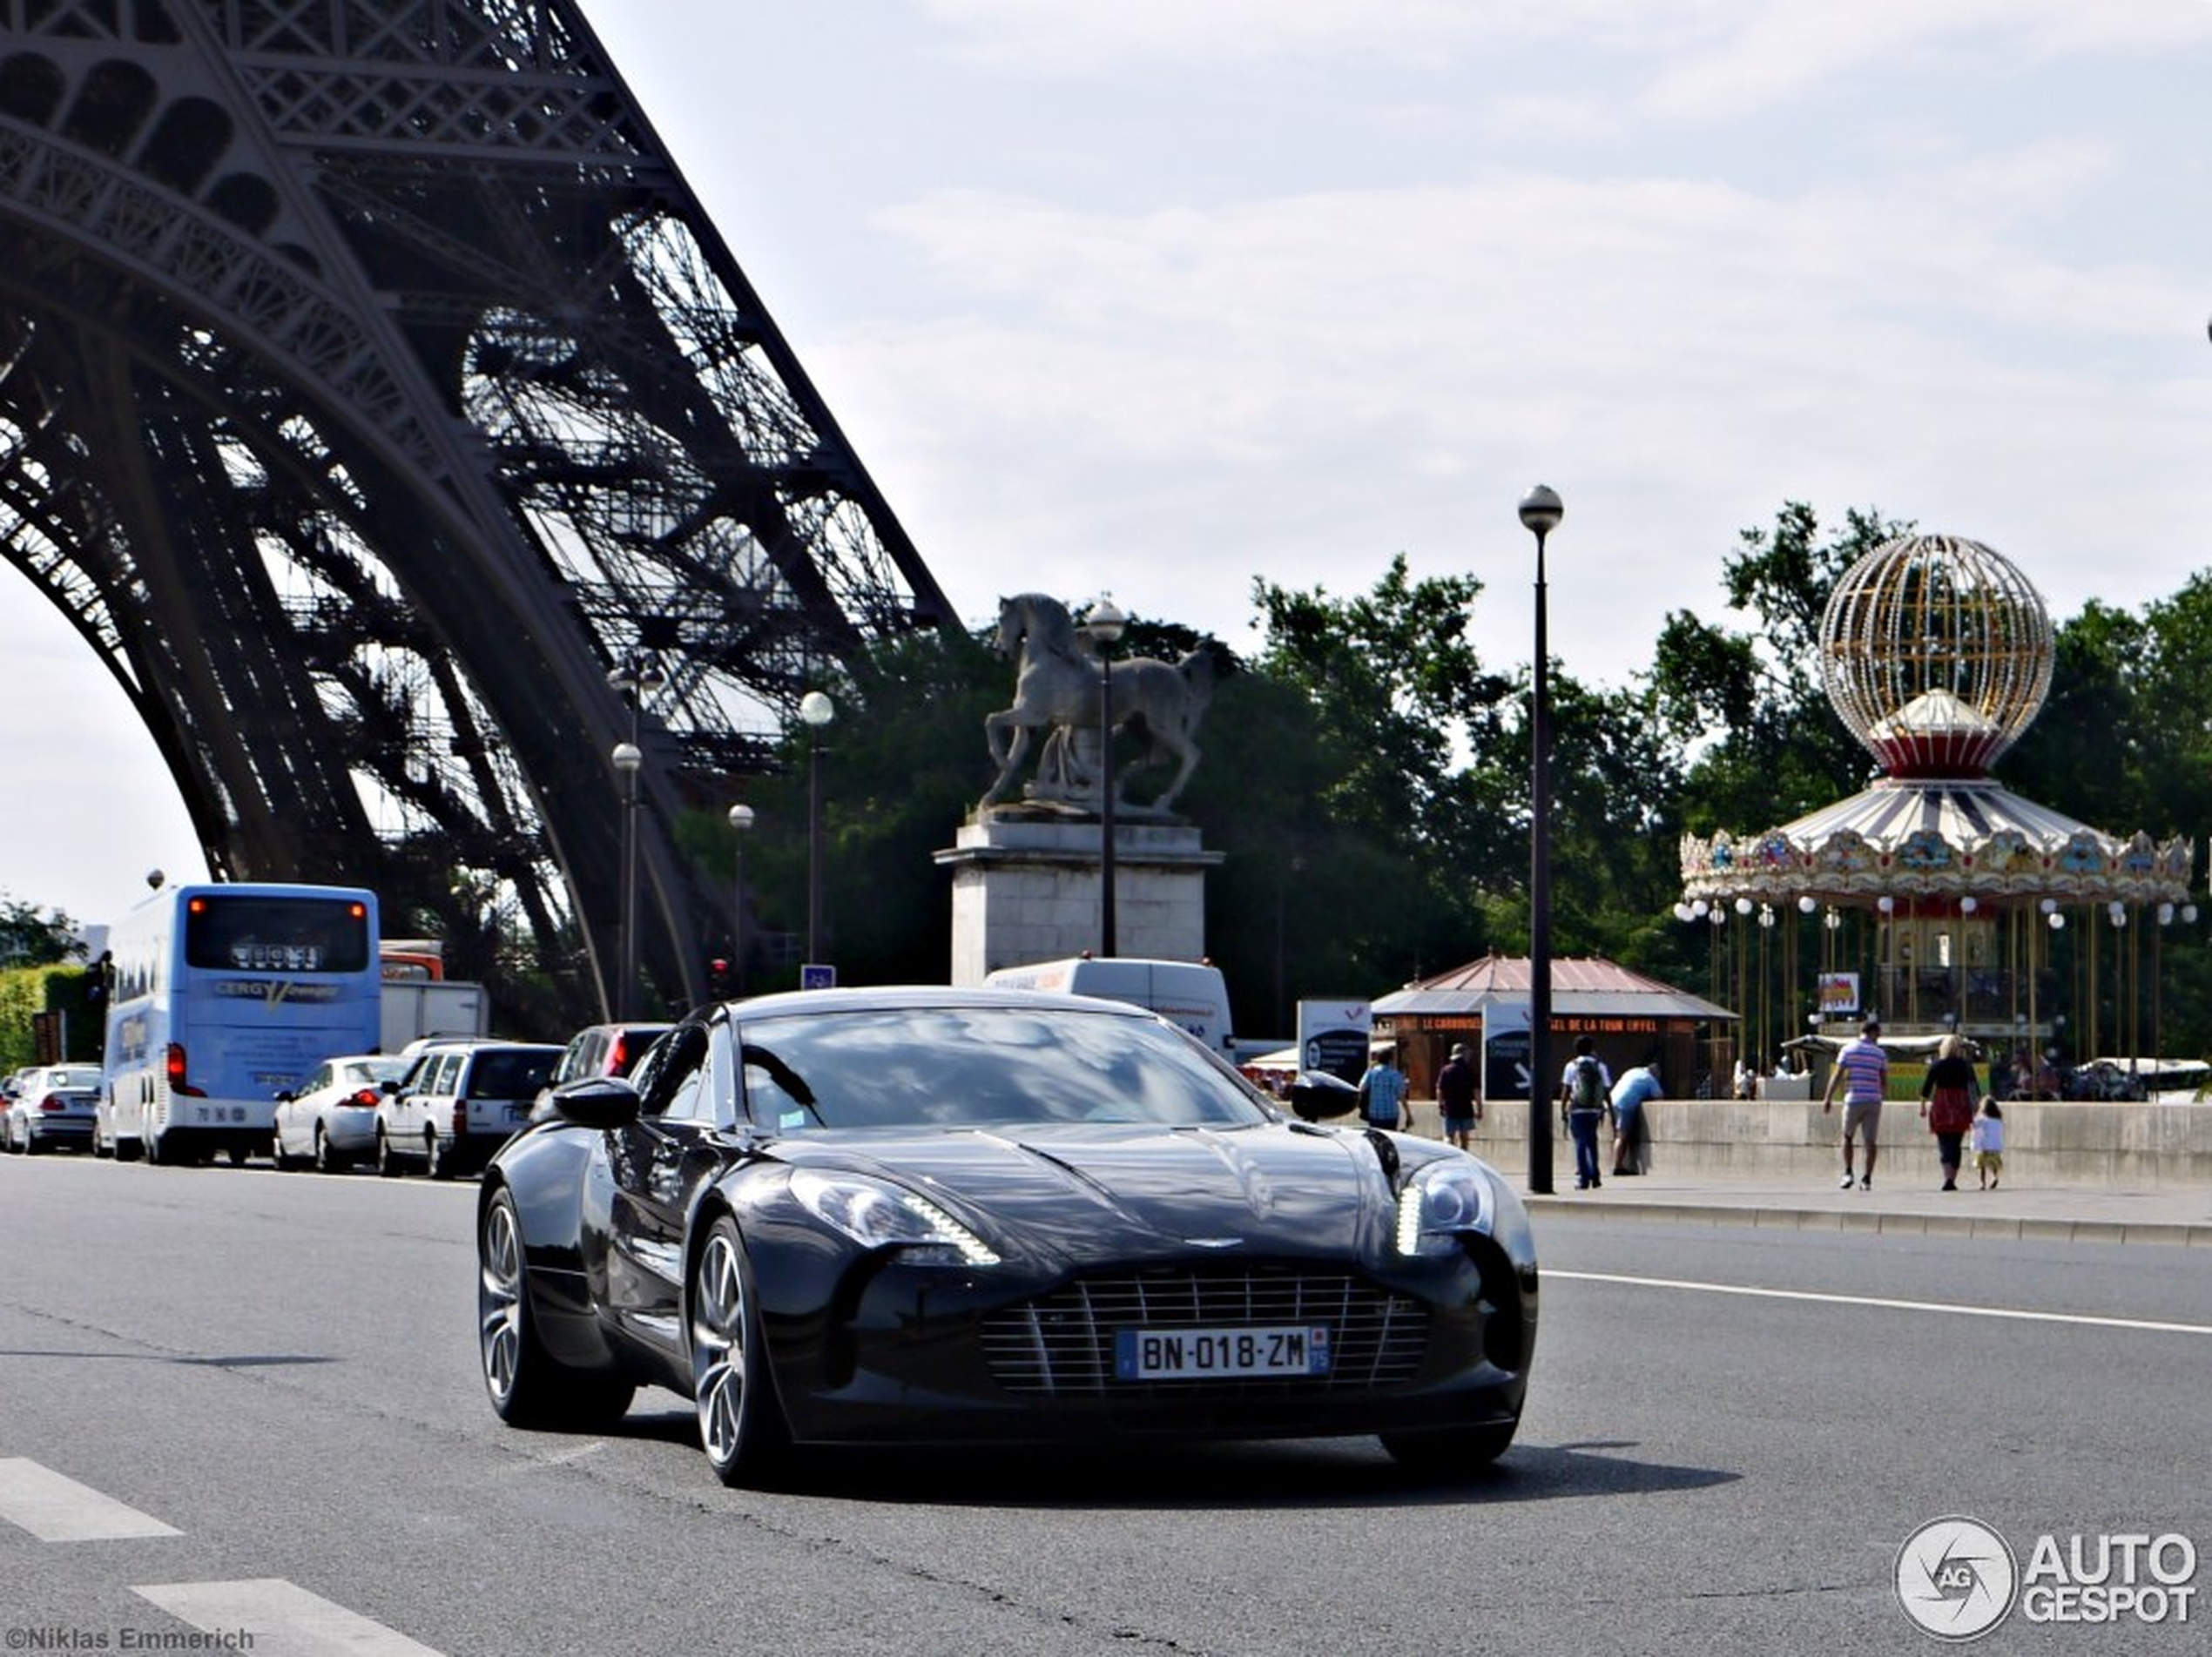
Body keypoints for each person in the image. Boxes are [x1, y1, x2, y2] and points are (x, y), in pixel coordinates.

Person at [1821, 1018, 1888, 1190]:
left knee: (1848, 1136)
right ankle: (1867, 1179)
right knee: (1870, 1142)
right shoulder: (1880, 1053)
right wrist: (1881, 1097)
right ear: (1873, 1033)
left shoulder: (1848, 1049)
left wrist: (1828, 1098)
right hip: (1873, 1101)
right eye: (1878, 1035)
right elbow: (1884, 1081)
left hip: (1853, 1099)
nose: (1878, 1038)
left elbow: (1837, 1075)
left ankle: (1848, 1172)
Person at [1919, 1033, 1979, 1191]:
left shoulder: (1937, 1065)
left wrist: (1923, 1106)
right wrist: (1975, 1107)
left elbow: (1926, 1087)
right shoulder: (1965, 1065)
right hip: (1960, 1105)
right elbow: (1973, 1087)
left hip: (1942, 1105)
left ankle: (1947, 1177)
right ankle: (1952, 1178)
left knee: (1944, 1142)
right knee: (1956, 1143)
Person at [1558, 1035, 1613, 1190]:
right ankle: (1595, 1176)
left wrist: (1563, 1109)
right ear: (1591, 1048)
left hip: (1578, 1109)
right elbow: (1606, 1090)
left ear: (1576, 1049)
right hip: (1595, 1110)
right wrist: (1609, 1110)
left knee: (1580, 1143)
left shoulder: (1571, 1066)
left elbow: (1566, 1089)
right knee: (1592, 1142)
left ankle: (1583, 1179)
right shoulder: (1600, 1066)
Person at [1609, 1056, 1662, 1176]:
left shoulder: (1632, 1071)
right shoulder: (1650, 1079)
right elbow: (1659, 1096)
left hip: (1613, 1101)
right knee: (1622, 1136)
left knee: (1617, 1135)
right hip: (1626, 1103)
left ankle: (1619, 1163)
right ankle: (1618, 1166)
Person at [1356, 1041, 1411, 1133]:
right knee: (1390, 1139)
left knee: (1376, 1140)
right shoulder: (1395, 1075)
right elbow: (1402, 1096)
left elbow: (1361, 1088)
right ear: (1390, 1060)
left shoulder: (1371, 1073)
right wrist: (1408, 1115)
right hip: (1391, 1115)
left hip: (1374, 1114)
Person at [1435, 1041, 1480, 1149]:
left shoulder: (1445, 1070)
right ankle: (1464, 1158)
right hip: (1466, 1108)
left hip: (1450, 1108)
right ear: (1464, 1055)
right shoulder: (1470, 1070)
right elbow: (1476, 1092)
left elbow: (1439, 1090)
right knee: (1464, 1136)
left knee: (1449, 1135)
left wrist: (1441, 1106)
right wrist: (1480, 1109)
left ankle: (1449, 1154)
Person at [1972, 1097, 2006, 1190]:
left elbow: (1973, 1125)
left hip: (1984, 1147)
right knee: (1994, 1165)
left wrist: (1974, 1115)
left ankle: (1982, 1183)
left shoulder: (1982, 1120)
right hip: (1995, 1147)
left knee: (1982, 1166)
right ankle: (1995, 1177)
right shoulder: (1998, 1120)